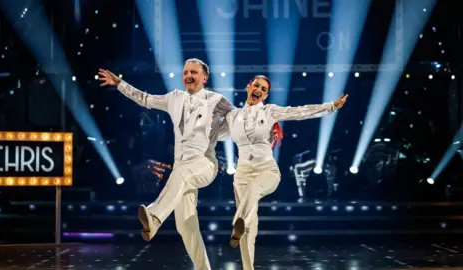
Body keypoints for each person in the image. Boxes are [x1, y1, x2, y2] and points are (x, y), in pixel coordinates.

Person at [98, 60, 278, 269]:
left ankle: (154, 216)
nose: (189, 75)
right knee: (185, 225)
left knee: (181, 175)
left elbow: (239, 118)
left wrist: (267, 129)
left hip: (205, 164)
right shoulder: (173, 98)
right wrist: (119, 83)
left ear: (204, 78)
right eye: (185, 72)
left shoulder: (216, 100)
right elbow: (145, 99)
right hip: (181, 170)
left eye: (194, 72)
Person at [225, 75, 348, 270]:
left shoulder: (269, 111)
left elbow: (300, 112)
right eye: (256, 85)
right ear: (248, 87)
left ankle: (238, 220)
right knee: (250, 229)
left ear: (266, 94)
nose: (258, 89)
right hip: (241, 173)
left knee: (254, 189)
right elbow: (213, 131)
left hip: (267, 171)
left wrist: (331, 106)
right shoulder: (232, 116)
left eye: (263, 88)